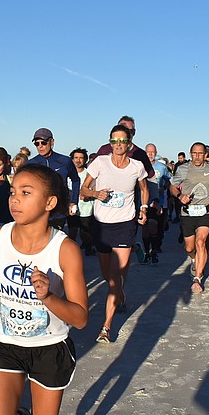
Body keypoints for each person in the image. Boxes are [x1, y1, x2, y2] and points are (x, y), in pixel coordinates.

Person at [0, 164, 88, 415]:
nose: (15, 200)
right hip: (7, 345)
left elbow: (80, 317)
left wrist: (49, 297)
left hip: (50, 349)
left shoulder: (64, 250)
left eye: (26, 193)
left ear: (50, 203)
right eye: (13, 192)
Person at [81, 125, 148, 343]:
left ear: (129, 144)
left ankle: (106, 327)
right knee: (108, 277)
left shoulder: (137, 166)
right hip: (101, 225)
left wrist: (144, 208)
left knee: (114, 278)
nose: (118, 145)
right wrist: (95, 193)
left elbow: (144, 189)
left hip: (125, 225)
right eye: (114, 141)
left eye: (122, 141)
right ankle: (120, 294)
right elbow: (83, 191)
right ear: (110, 143)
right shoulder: (100, 162)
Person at [169, 142, 209, 293]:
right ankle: (194, 260)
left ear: (205, 154)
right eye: (194, 153)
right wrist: (180, 195)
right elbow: (172, 187)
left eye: (200, 153)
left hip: (205, 211)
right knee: (189, 247)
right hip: (188, 211)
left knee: (200, 242)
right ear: (190, 154)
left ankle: (198, 278)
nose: (197, 156)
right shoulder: (183, 169)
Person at [27, 128, 80, 229]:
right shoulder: (31, 164)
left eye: (43, 142)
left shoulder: (65, 161)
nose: (40, 146)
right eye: (37, 144)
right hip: (38, 211)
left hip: (59, 211)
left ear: (52, 141)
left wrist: (74, 201)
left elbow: (76, 180)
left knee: (56, 242)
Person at [141, 143, 171, 264]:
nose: (150, 154)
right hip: (143, 202)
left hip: (158, 201)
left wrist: (164, 187)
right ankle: (147, 252)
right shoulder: (140, 166)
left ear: (156, 153)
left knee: (155, 226)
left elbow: (169, 181)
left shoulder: (162, 167)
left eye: (152, 152)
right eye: (148, 152)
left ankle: (154, 249)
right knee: (144, 228)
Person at [68, 148, 95, 255]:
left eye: (81, 158)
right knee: (72, 231)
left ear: (85, 160)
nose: (78, 160)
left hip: (86, 209)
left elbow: (94, 190)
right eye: (76, 158)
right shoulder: (68, 174)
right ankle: (71, 252)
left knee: (85, 233)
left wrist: (87, 196)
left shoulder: (90, 174)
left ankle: (89, 249)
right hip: (72, 208)